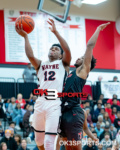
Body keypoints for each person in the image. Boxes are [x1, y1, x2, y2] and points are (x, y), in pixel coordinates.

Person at [16, 18, 71, 150]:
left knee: (49, 141)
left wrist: (56, 32)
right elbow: (30, 56)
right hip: (40, 102)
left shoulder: (63, 64)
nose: (53, 50)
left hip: (54, 103)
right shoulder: (41, 64)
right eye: (51, 48)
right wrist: (26, 37)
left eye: (56, 49)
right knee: (38, 140)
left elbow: (67, 50)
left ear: (60, 55)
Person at [57, 22, 110, 150]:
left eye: (82, 57)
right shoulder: (71, 73)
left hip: (74, 113)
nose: (79, 58)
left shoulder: (83, 70)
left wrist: (97, 29)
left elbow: (90, 45)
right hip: (64, 112)